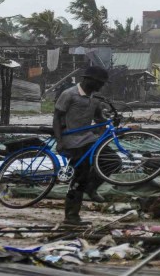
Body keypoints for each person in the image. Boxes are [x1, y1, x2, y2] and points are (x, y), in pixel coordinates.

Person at [54, 66, 111, 225]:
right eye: (100, 83)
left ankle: (91, 187)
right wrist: (59, 141)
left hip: (88, 138)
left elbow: (99, 119)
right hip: (72, 140)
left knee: (112, 161)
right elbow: (57, 118)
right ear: (89, 80)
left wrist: (104, 130)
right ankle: (71, 215)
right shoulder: (69, 94)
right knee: (80, 175)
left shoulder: (96, 98)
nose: (101, 86)